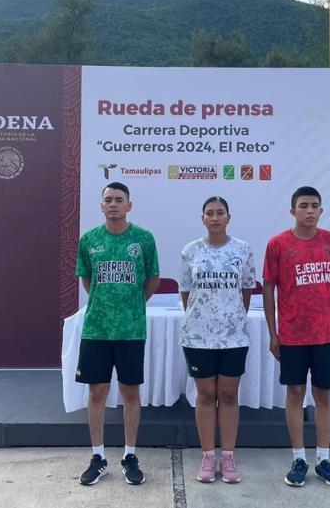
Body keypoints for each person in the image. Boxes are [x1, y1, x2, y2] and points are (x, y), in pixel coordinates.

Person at [262, 186, 330, 488]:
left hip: (325, 334)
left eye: (314, 206)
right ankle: (298, 458)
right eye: (303, 206)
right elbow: (268, 289)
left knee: (323, 396)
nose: (309, 211)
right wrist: (273, 333)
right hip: (293, 335)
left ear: (321, 211)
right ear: (293, 211)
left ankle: (323, 459)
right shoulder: (278, 245)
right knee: (295, 395)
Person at [75, 182, 160, 486]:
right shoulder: (89, 240)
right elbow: (87, 280)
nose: (113, 204)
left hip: (131, 329)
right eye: (108, 200)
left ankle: (130, 455)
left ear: (129, 206)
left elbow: (152, 279)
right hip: (97, 328)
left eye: (119, 200)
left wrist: (131, 305)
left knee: (129, 392)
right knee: (96, 392)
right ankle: (98, 456)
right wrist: (107, 302)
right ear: (101, 206)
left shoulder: (143, 239)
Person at [178, 196, 255, 484]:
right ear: (202, 218)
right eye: (209, 213)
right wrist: (204, 319)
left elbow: (246, 290)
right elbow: (186, 293)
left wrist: (229, 318)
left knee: (229, 395)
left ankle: (229, 457)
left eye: (219, 213)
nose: (214, 217)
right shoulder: (191, 251)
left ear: (228, 217)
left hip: (233, 336)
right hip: (198, 336)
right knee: (206, 395)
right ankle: (209, 457)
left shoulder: (243, 250)